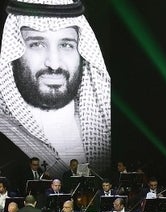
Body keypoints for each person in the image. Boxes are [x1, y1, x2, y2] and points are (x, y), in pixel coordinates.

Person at [0, 0, 111, 178]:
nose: (53, 63)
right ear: (14, 51)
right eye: (37, 44)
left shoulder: (104, 125)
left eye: (66, 45)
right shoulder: (5, 130)